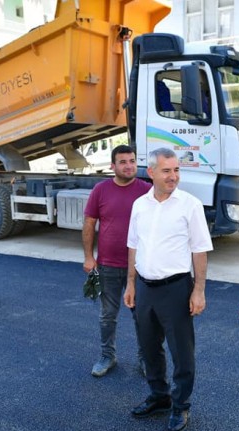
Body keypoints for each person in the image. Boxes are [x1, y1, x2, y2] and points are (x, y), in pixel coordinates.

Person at [124, 147, 213, 431]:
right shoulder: (140, 205)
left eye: (176, 170)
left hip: (176, 289)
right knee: (149, 349)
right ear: (151, 172)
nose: (173, 176)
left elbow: (200, 250)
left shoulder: (190, 205)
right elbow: (133, 245)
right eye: (167, 170)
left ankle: (180, 405)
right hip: (145, 287)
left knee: (181, 353)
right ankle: (159, 396)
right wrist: (131, 283)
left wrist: (198, 290)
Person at [83, 145, 152, 377]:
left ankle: (145, 359)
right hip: (108, 265)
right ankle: (107, 356)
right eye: (123, 162)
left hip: (140, 267)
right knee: (107, 315)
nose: (129, 166)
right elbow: (90, 223)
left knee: (142, 316)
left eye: (132, 161)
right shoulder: (101, 190)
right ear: (113, 166)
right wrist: (88, 257)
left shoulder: (147, 190)